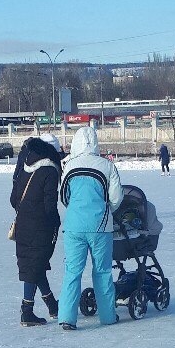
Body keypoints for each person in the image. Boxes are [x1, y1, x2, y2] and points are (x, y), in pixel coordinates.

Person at [57, 125, 123, 331]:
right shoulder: (107, 166)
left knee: (72, 272)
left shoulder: (68, 166)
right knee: (102, 272)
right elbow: (116, 197)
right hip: (100, 227)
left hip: (74, 227)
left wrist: (77, 209)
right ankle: (108, 316)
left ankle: (67, 318)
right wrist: (105, 210)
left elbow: (64, 197)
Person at [11, 136, 62, 327]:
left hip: (23, 222)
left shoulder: (25, 163)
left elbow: (13, 197)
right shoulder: (50, 170)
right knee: (34, 266)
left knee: (35, 264)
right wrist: (55, 223)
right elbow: (50, 205)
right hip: (40, 226)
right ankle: (27, 311)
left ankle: (52, 305)